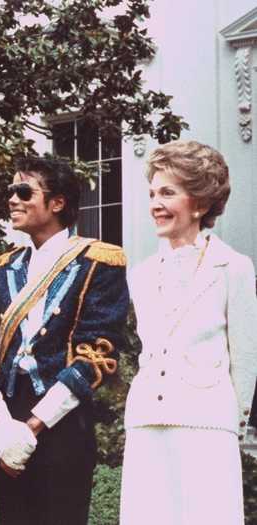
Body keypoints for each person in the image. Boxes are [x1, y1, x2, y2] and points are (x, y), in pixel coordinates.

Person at [0, 156, 130, 525]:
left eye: (24, 191)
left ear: (57, 203)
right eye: (11, 191)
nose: (12, 199)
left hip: (63, 419)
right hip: (8, 414)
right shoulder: (1, 269)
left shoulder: (99, 262)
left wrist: (34, 426)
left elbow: (96, 354)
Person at [120, 140, 257, 524]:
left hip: (207, 426)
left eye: (167, 192)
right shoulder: (141, 276)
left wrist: (230, 424)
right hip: (147, 423)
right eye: (151, 193)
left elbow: (246, 358)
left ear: (199, 202)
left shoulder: (234, 267)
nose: (155, 204)